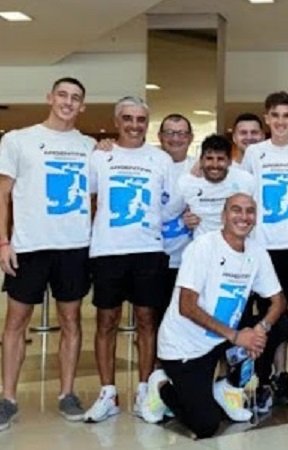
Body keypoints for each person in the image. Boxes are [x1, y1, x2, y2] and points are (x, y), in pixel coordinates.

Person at [141, 193, 287, 439]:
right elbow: (186, 306)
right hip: (184, 348)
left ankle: (227, 387)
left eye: (250, 211)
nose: (243, 217)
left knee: (281, 324)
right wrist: (237, 337)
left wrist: (259, 330)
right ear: (223, 216)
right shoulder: (203, 247)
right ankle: (161, 386)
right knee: (206, 424)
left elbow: (279, 301)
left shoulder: (257, 252)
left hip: (220, 340)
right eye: (236, 210)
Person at [0, 77, 96, 430]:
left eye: (75, 98)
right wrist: (3, 242)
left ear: (82, 106)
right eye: (62, 95)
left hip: (74, 247)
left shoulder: (90, 147)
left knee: (71, 321)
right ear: (50, 98)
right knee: (15, 323)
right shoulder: (18, 140)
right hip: (29, 247)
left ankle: (67, 393)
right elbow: (3, 194)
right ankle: (7, 398)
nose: (68, 102)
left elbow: (97, 195)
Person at [83, 96, 176, 423]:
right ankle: (108, 393)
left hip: (148, 250)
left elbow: (170, 204)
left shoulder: (160, 159)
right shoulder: (100, 156)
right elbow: (87, 199)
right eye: (128, 118)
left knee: (147, 320)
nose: (134, 125)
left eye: (140, 119)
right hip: (108, 251)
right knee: (106, 321)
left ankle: (144, 391)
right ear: (116, 121)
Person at [240, 91, 288, 413]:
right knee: (269, 320)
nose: (281, 121)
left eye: (287, 116)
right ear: (267, 118)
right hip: (265, 248)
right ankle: (266, 382)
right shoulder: (254, 153)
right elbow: (242, 197)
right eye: (275, 115)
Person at [178, 134, 256, 235]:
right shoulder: (186, 183)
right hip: (202, 243)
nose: (215, 165)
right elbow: (173, 213)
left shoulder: (246, 180)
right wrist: (184, 218)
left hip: (239, 242)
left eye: (220, 159)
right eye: (209, 158)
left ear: (229, 161)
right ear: (201, 160)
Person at [158, 114, 196, 314]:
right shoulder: (149, 164)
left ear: (190, 137)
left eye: (181, 133)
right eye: (170, 133)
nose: (175, 138)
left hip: (189, 261)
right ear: (160, 136)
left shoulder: (201, 168)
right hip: (154, 257)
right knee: (152, 320)